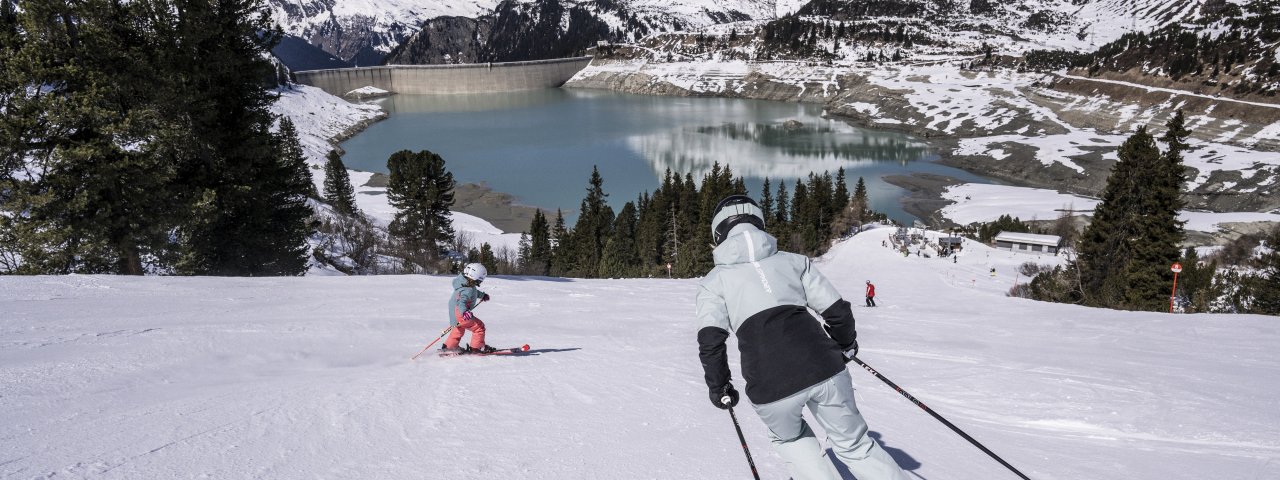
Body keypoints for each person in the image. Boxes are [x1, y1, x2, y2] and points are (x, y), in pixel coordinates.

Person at [696, 195, 910, 480]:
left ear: (718, 234)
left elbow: (711, 342)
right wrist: (846, 345)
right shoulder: (794, 262)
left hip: (769, 383)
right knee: (856, 446)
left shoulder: (714, 283)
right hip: (824, 366)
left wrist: (719, 387)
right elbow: (837, 311)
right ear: (759, 224)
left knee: (791, 440)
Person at [443, 263, 495, 354]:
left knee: (458, 329)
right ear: (476, 277)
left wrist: (482, 295)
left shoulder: (465, 284)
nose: (481, 281)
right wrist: (464, 312)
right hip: (461, 313)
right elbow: (461, 302)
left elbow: (474, 292)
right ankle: (477, 347)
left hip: (454, 313)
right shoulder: (468, 289)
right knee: (479, 327)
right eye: (480, 279)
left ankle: (450, 347)